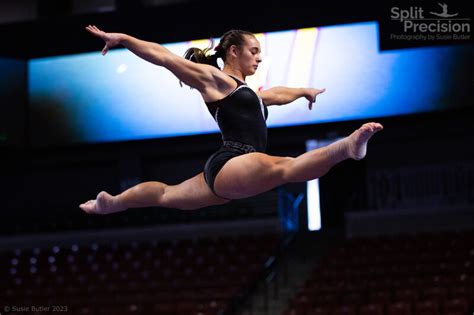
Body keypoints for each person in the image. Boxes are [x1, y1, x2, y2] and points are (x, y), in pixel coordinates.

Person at [79, 25, 383, 215]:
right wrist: (124, 38)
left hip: (228, 171)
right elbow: (164, 57)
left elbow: (274, 95)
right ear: (234, 51)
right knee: (286, 167)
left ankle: (113, 203)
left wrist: (304, 90)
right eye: (254, 51)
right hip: (236, 159)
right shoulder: (215, 79)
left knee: (166, 194)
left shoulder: (244, 91)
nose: (259, 58)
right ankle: (346, 148)